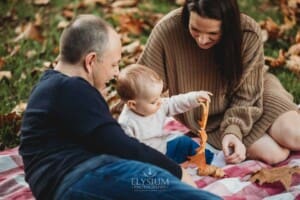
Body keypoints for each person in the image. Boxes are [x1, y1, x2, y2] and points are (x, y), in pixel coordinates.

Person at [18, 14, 221, 200]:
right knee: (157, 182)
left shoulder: (51, 87)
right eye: (114, 64)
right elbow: (120, 145)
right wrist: (177, 172)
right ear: (91, 61)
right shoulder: (72, 88)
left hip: (60, 186)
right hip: (83, 177)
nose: (116, 74)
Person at [138, 0, 300, 165]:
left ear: (228, 26)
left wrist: (233, 130)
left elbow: (248, 93)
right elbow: (141, 84)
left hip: (256, 93)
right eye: (195, 29)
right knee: (273, 154)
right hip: (209, 116)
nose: (202, 40)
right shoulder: (168, 30)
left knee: (294, 135)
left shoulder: (247, 33)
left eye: (212, 34)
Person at [116, 64, 214, 164]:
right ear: (132, 104)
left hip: (164, 150)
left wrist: (195, 98)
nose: (160, 102)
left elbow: (175, 102)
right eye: (153, 101)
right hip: (149, 163)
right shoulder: (127, 124)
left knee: (184, 142)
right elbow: (128, 153)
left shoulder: (157, 104)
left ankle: (212, 160)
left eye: (160, 96)